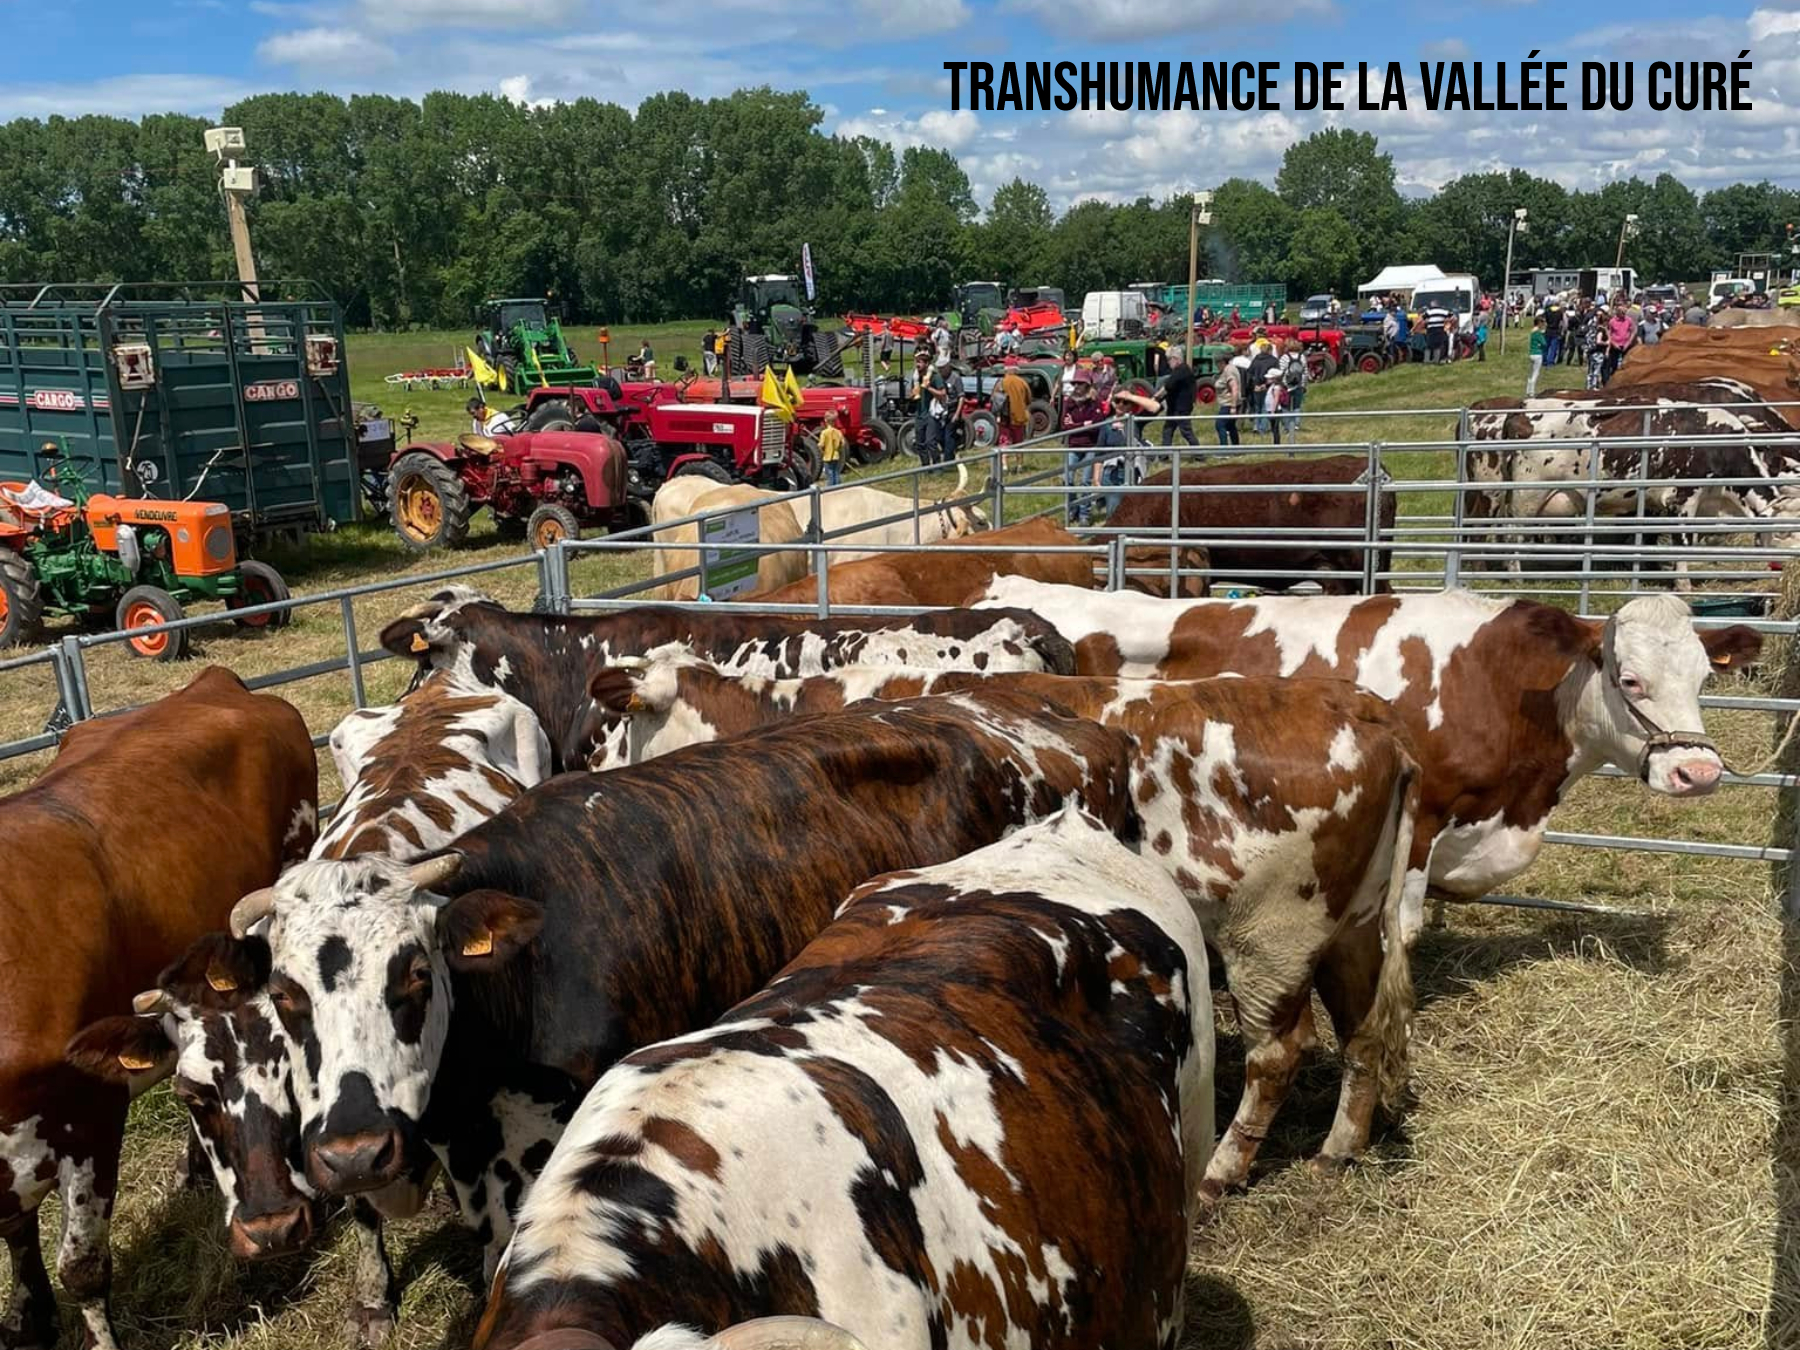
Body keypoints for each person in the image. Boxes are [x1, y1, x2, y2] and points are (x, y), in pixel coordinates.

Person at [1059, 369, 1106, 525]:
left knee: (1086, 481)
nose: (1076, 386)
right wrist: (1082, 424)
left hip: (1090, 445)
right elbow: (1064, 426)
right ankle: (1073, 509)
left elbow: (1096, 426)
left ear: (1087, 385)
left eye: (1080, 383)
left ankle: (1084, 514)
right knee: (1068, 479)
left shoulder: (1095, 403)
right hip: (1073, 445)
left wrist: (1075, 425)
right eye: (1075, 383)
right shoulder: (1069, 403)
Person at [1154, 345, 1199, 447]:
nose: (1168, 363)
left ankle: (1199, 454)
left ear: (1175, 359)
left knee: (1186, 431)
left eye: (1169, 360)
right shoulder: (1179, 370)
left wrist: (1155, 397)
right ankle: (1164, 455)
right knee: (1168, 430)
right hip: (1174, 407)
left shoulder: (1182, 370)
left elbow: (1168, 385)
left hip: (1181, 408)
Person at [996, 363, 1031, 467]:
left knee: (1004, 440)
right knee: (1019, 441)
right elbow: (1028, 399)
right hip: (1018, 417)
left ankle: (1004, 465)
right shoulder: (1022, 382)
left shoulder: (1001, 382)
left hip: (1004, 417)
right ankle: (1019, 464)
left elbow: (995, 399)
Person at [1247, 340, 1280, 441]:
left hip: (1256, 386)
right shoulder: (1273, 361)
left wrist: (1254, 385)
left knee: (1257, 407)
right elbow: (1277, 374)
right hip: (1267, 386)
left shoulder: (1256, 359)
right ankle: (1263, 428)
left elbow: (1250, 372)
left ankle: (1256, 426)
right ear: (1270, 350)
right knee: (1265, 407)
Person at [911, 351, 939, 466]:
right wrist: (912, 395)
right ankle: (925, 467)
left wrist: (929, 388)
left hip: (931, 414)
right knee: (920, 444)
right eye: (916, 362)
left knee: (930, 442)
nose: (917, 365)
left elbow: (942, 394)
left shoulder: (935, 377)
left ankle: (938, 466)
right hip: (919, 415)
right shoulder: (915, 378)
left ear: (927, 364)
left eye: (920, 362)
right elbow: (912, 394)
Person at [1214, 346, 1245, 445]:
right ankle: (1236, 448)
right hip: (1229, 402)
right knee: (1231, 426)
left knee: (1220, 425)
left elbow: (1234, 388)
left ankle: (1224, 450)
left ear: (1222, 362)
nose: (1216, 365)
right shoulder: (1228, 369)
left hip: (1229, 403)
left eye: (1217, 363)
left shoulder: (1229, 370)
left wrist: (1233, 406)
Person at [1603, 298, 1635, 385]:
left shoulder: (1628, 320)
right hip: (1615, 345)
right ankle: (1613, 380)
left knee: (1626, 364)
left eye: (1624, 312)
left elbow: (1632, 332)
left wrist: (1629, 342)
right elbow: (1609, 333)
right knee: (1614, 364)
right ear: (1617, 312)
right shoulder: (1612, 321)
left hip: (1626, 345)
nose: (1623, 314)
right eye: (1622, 312)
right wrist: (1613, 343)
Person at [1280, 339, 1307, 438]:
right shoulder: (1302, 357)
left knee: (1285, 407)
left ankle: (1287, 426)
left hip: (1286, 385)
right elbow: (1305, 372)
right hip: (1299, 385)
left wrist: (1282, 385)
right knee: (1297, 406)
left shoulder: (1284, 357)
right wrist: (1304, 385)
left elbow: (1281, 371)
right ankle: (1296, 425)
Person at [817, 408, 845, 487]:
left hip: (827, 456)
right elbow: (842, 443)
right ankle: (838, 486)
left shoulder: (824, 433)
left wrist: (820, 449)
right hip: (836, 456)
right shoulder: (838, 432)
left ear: (825, 420)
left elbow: (821, 445)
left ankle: (830, 488)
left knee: (829, 473)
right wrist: (838, 449)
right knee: (836, 471)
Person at [1526, 315, 1546, 397]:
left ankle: (1528, 390)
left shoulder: (1532, 332)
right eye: (1543, 322)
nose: (1544, 324)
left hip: (1531, 353)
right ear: (1539, 323)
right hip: (1538, 354)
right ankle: (1532, 392)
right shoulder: (1538, 333)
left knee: (1530, 373)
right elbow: (1544, 343)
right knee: (1535, 373)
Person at [1542, 296, 1565, 366]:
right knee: (1553, 347)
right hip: (1556, 331)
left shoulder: (1548, 310)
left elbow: (1544, 321)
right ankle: (1550, 361)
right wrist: (1561, 331)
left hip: (1548, 330)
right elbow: (1561, 323)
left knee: (1546, 346)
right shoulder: (1560, 312)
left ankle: (1544, 360)